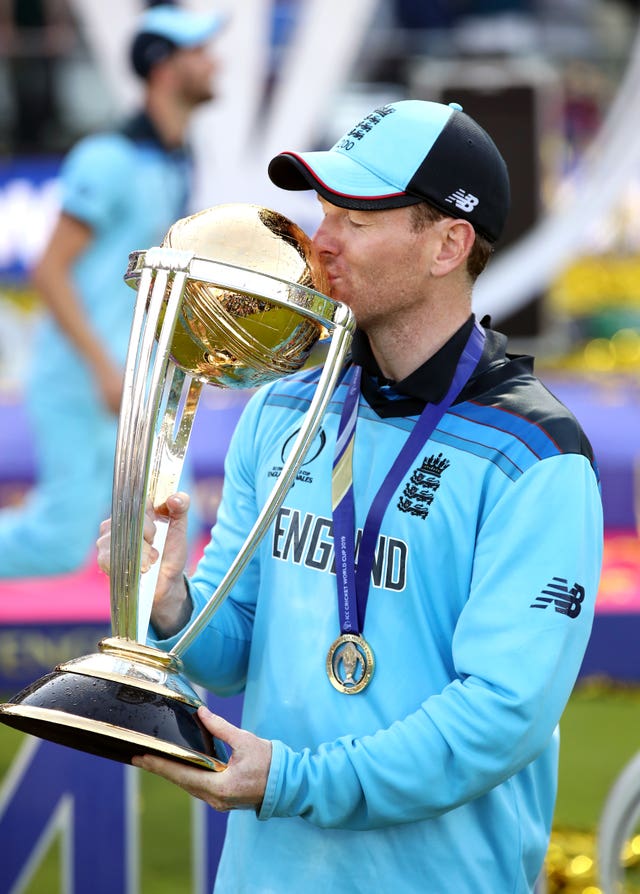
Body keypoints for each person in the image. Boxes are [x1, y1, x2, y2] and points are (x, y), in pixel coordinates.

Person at [97, 99, 604, 893]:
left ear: (448, 245)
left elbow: (499, 719)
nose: (319, 240)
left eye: (358, 218)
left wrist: (294, 779)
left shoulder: (537, 456)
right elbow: (234, 645)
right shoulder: (282, 408)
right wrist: (170, 603)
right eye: (324, 209)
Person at [0, 4, 224, 577]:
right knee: (58, 540)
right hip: (85, 379)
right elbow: (49, 270)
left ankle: (148, 659)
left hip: (128, 380)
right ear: (165, 70)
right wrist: (103, 368)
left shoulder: (174, 157)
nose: (214, 61)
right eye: (199, 52)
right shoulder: (107, 159)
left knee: (171, 526)